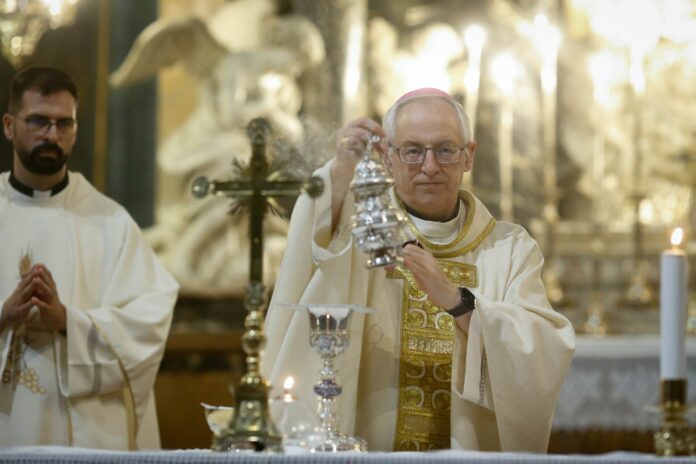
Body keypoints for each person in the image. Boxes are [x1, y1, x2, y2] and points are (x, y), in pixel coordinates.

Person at [263, 88, 576, 452]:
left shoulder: (509, 249)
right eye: (412, 151)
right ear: (388, 158)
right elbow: (312, 240)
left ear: (468, 156)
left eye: (445, 150)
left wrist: (460, 303)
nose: (429, 167)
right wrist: (342, 168)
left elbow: (542, 351)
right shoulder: (359, 233)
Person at [0, 66, 178, 449]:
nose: (52, 135)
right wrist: (4, 316)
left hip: (78, 434)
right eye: (38, 121)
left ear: (76, 130)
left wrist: (68, 321)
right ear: (10, 126)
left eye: (64, 123)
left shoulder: (111, 223)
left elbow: (148, 324)